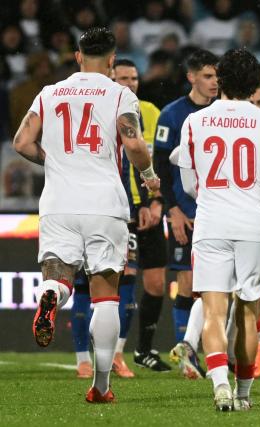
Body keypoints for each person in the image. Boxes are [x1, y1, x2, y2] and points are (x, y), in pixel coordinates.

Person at [13, 27, 160, 402]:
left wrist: (57, 162)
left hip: (59, 201)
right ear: (112, 60)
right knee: (105, 294)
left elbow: (21, 142)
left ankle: (50, 294)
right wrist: (148, 176)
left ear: (77, 57)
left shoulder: (50, 93)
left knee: (60, 277)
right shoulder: (120, 93)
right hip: (104, 204)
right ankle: (101, 386)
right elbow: (133, 143)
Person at [176, 48, 260, 411]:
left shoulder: (195, 122)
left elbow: (189, 183)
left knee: (214, 311)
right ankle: (243, 394)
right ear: (254, 84)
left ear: (219, 79)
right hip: (255, 225)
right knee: (249, 313)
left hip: (212, 223)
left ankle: (219, 383)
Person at [144, 49, 217, 374]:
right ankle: (185, 355)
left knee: (212, 286)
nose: (214, 82)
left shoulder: (222, 113)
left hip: (217, 211)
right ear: (191, 77)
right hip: (185, 213)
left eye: (217, 76)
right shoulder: (173, 115)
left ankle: (210, 349)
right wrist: (172, 210)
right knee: (188, 282)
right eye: (207, 76)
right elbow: (161, 165)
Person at [112, 58, 166, 378]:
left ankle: (142, 349)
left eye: (134, 78)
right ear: (110, 78)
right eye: (123, 78)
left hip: (150, 208)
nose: (130, 83)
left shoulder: (151, 113)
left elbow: (157, 162)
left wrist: (157, 202)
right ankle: (115, 353)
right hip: (122, 210)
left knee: (157, 284)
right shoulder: (106, 110)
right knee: (126, 282)